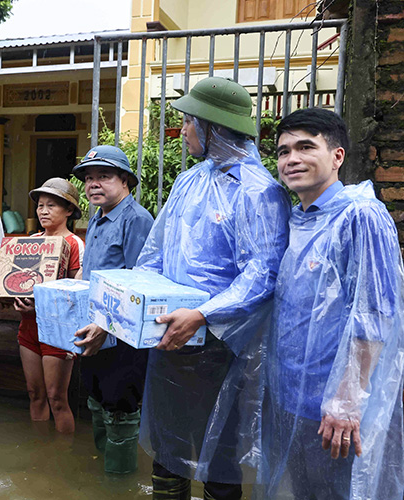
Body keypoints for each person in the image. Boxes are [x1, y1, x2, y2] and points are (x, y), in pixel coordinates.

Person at [134, 76, 291, 499]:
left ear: (213, 128)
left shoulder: (259, 192)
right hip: (169, 335)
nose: (182, 130)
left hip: (221, 347)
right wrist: (134, 304)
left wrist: (203, 315)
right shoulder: (189, 182)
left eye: (188, 122)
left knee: (219, 450)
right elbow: (156, 253)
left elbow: (263, 274)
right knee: (167, 449)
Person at [257, 108, 404, 500]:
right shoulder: (297, 219)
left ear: (337, 156)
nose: (292, 159)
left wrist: (346, 400)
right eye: (284, 151)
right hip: (293, 398)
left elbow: (374, 314)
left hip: (334, 411)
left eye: (306, 147)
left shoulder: (360, 216)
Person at [71, 145, 154, 474]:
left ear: (125, 181)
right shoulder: (97, 218)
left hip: (121, 336)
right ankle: (104, 474)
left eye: (103, 177)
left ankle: (118, 484)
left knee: (120, 409)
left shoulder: (136, 219)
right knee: (96, 400)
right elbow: (88, 271)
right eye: (89, 178)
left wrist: (105, 326)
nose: (93, 184)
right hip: (94, 330)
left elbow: (139, 283)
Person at [14, 178, 85, 434]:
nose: (43, 211)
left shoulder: (76, 244)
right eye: (40, 205)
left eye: (51, 205)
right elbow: (19, 282)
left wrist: (43, 307)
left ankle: (61, 459)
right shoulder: (32, 240)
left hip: (58, 330)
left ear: (68, 210)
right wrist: (18, 302)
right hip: (29, 326)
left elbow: (77, 293)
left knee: (57, 398)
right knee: (35, 394)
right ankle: (40, 454)